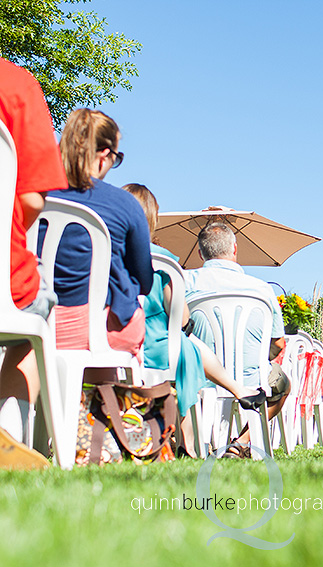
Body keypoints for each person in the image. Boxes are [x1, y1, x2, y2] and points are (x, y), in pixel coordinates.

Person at [124, 184, 268, 455]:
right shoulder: (163, 261)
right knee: (185, 346)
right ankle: (188, 444)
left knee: (186, 345)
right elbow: (179, 317)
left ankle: (189, 438)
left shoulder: (104, 250)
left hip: (113, 337)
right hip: (156, 347)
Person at [0, 58, 68, 469]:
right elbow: (28, 200)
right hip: (6, 278)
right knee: (36, 309)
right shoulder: (13, 83)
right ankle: (7, 433)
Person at [45, 108, 153, 366]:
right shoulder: (125, 205)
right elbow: (145, 282)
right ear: (105, 155)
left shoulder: (33, 194)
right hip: (95, 331)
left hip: (30, 321)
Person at [184, 222, 287, 457]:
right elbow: (279, 343)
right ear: (235, 249)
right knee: (283, 385)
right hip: (250, 378)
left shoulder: (186, 281)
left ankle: (191, 442)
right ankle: (241, 442)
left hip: (201, 375)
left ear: (200, 253)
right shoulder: (261, 288)